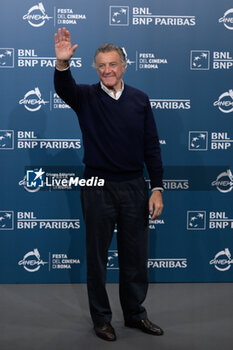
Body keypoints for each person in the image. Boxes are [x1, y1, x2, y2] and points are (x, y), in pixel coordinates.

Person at [54, 27, 164, 341]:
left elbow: (151, 147)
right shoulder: (86, 95)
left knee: (135, 256)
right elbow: (64, 88)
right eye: (101, 65)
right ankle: (101, 319)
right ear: (96, 69)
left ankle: (134, 315)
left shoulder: (139, 99)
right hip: (97, 186)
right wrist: (62, 64)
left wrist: (156, 187)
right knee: (97, 258)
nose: (107, 70)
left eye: (112, 64)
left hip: (134, 187)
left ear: (124, 65)